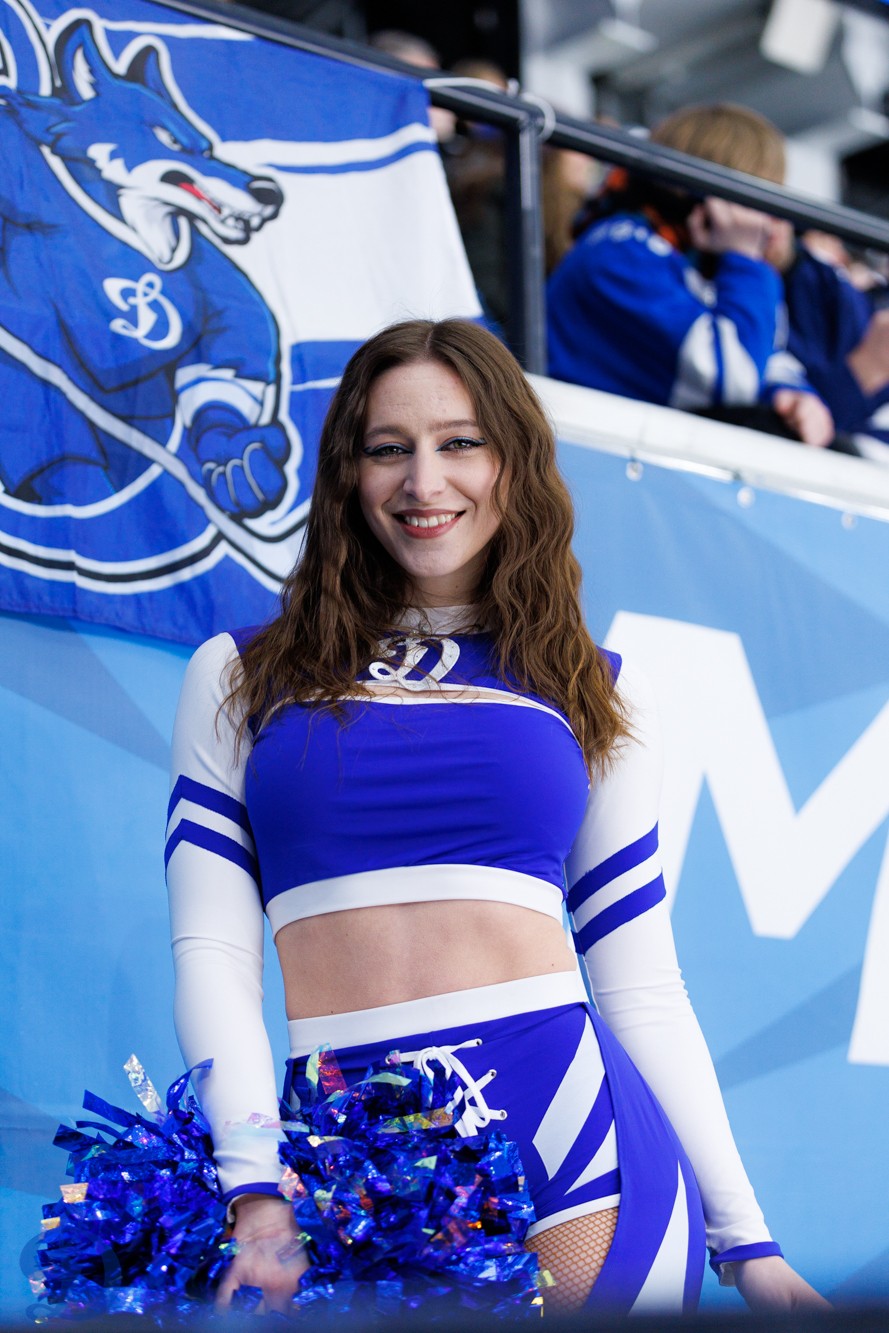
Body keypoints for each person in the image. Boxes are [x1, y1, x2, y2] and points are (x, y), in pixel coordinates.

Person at [165, 318, 829, 1315]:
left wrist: (747, 1240)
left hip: (577, 1147)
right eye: (388, 448)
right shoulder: (239, 675)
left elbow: (640, 984)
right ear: (347, 473)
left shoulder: (596, 687)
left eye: (459, 442)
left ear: (511, 462)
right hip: (344, 1162)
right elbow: (213, 950)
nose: (423, 481)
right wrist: (254, 1185)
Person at [546, 103, 834, 450]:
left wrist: (790, 394)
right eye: (760, 200)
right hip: (584, 451)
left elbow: (766, 352)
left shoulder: (695, 262)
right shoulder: (620, 253)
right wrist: (745, 260)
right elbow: (733, 379)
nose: (772, 221)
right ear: (717, 203)